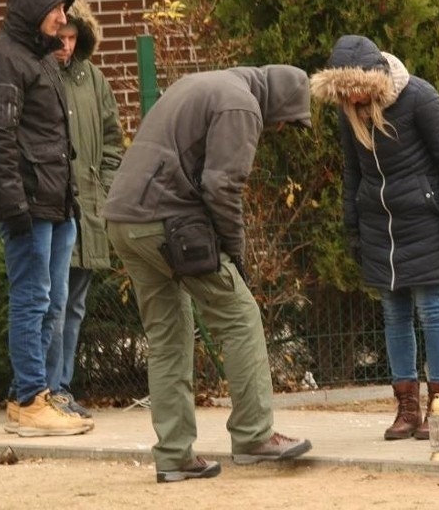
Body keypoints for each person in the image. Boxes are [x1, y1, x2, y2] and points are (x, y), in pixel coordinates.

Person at [103, 65, 314, 483]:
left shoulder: (203, 84)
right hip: (167, 222)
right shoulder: (242, 105)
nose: (283, 128)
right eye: (289, 120)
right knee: (240, 316)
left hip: (124, 220)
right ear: (282, 103)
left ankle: (174, 456)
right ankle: (255, 435)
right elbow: (221, 187)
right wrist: (234, 253)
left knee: (167, 337)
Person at [310, 35, 439, 441]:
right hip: (379, 225)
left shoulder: (419, 97)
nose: (352, 97)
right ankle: (407, 409)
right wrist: (353, 226)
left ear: (374, 78)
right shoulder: (350, 111)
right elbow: (352, 172)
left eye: (357, 87)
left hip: (425, 221)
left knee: (431, 307)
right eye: (343, 92)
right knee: (393, 313)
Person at [0, 0, 90, 437]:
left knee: (54, 299)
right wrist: (16, 207)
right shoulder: (3, 59)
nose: (64, 18)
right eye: (58, 8)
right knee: (32, 299)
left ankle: (41, 395)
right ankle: (29, 399)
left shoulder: (38, 54)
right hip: (29, 207)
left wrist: (69, 202)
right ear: (35, 7)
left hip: (57, 204)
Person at [44, 0, 123, 420]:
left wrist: (105, 191)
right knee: (50, 304)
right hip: (50, 211)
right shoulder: (35, 75)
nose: (67, 45)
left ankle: (63, 387)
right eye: (61, 34)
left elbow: (113, 142)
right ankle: (44, 391)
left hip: (88, 210)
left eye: (73, 37)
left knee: (73, 306)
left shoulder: (93, 80)